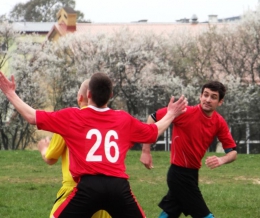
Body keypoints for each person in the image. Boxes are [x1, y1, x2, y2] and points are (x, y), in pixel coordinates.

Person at [0, 71, 187, 218]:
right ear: (111, 95)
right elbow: (153, 132)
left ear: (88, 94)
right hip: (117, 187)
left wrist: (10, 93)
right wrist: (171, 114)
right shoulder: (123, 119)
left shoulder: (73, 116)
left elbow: (33, 117)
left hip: (88, 187)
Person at [140, 81, 237, 218]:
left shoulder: (219, 122)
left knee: (170, 212)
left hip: (192, 174)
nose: (208, 100)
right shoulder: (184, 112)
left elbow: (233, 152)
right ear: (200, 96)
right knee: (205, 215)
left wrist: (222, 159)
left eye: (213, 97)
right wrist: (145, 151)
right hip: (178, 174)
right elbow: (152, 118)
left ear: (220, 102)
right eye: (206, 95)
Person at [37, 80, 111, 218]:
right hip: (105, 196)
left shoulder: (69, 120)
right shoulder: (112, 121)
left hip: (75, 191)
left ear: (80, 97)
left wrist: (44, 148)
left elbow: (50, 158)